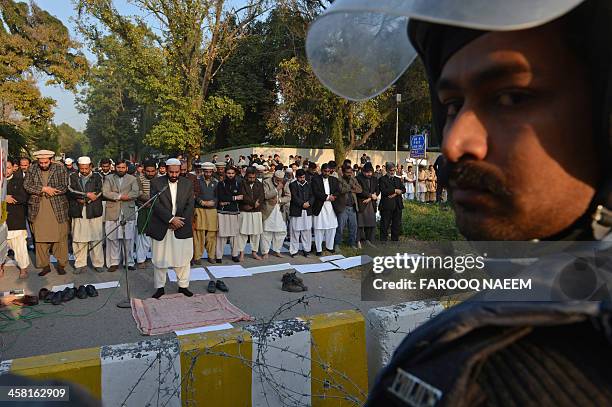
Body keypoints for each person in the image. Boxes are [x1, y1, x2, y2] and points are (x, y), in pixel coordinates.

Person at [148, 158, 195, 298]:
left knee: (183, 258)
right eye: (171, 172)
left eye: (177, 172)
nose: (174, 175)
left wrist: (179, 222)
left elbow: (190, 205)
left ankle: (183, 286)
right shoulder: (156, 183)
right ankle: (160, 288)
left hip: (181, 225)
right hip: (162, 225)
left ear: (180, 170)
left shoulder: (187, 183)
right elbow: (155, 204)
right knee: (160, 259)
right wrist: (170, 219)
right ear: (166, 170)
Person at [23, 150, 70, 276]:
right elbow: (27, 185)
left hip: (57, 208)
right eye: (41, 162)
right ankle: (45, 265)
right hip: (38, 209)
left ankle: (61, 264)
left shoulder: (60, 169)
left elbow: (64, 186)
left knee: (61, 238)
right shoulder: (32, 169)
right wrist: (43, 189)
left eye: (45, 162)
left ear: (51, 160)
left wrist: (52, 191)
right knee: (40, 239)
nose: (43, 165)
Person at [68, 156, 105, 274]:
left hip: (94, 210)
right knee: (79, 239)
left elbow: (100, 190)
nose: (84, 171)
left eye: (86, 168)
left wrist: (87, 200)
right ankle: (80, 264)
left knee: (96, 238)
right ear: (78, 167)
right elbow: (70, 190)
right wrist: (86, 194)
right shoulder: (72, 176)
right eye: (81, 168)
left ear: (91, 166)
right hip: (78, 210)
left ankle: (98, 263)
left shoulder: (98, 176)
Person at [102, 159, 140, 272]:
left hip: (128, 211)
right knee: (112, 238)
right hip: (112, 211)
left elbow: (136, 192)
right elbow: (105, 192)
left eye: (123, 168)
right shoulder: (109, 178)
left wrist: (126, 197)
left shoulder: (132, 179)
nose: (121, 170)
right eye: (119, 168)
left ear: (126, 168)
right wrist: (119, 196)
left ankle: (128, 262)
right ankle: (114, 262)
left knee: (128, 239)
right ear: (115, 168)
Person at [3, 157, 30, 278]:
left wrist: (10, 198)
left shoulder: (20, 181)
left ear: (13, 168)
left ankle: (23, 269)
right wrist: (3, 198)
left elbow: (24, 198)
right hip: (1, 221)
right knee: (1, 247)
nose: (6, 170)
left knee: (20, 247)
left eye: (8, 168)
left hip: (16, 219)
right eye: (3, 168)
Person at [261, 170, 291, 258]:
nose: (279, 182)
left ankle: (277, 250)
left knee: (281, 231)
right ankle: (265, 252)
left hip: (280, 210)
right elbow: (266, 195)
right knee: (266, 231)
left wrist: (279, 200)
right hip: (268, 209)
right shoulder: (266, 182)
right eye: (278, 180)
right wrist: (277, 189)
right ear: (274, 177)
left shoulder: (285, 183)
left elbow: (288, 196)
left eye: (281, 180)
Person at [193, 162, 219, 264]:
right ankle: (197, 257)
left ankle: (211, 256)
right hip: (199, 209)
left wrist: (213, 202)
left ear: (212, 172)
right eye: (206, 171)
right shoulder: (197, 181)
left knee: (211, 234)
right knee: (199, 234)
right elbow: (194, 194)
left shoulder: (216, 182)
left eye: (210, 172)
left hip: (212, 210)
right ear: (203, 171)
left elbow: (218, 195)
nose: (208, 173)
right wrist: (201, 202)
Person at [215, 166, 242, 262]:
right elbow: (221, 197)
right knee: (221, 234)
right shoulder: (221, 184)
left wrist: (228, 199)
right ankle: (218, 256)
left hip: (235, 211)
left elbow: (241, 196)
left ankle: (234, 255)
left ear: (235, 174)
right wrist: (234, 198)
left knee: (234, 235)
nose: (230, 175)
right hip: (222, 212)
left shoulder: (238, 184)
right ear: (225, 173)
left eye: (232, 173)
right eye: (229, 173)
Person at [311, 163, 339, 255]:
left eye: (328, 171)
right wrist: (327, 197)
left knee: (332, 227)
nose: (327, 173)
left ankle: (329, 247)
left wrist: (333, 197)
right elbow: (316, 192)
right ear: (321, 171)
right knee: (319, 228)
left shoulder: (334, 180)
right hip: (320, 206)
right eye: (325, 171)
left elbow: (337, 191)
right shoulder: (315, 179)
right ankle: (319, 249)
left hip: (331, 206)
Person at [237, 166, 265, 261]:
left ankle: (254, 252)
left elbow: (262, 196)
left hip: (256, 212)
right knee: (243, 233)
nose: (252, 179)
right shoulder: (241, 183)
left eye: (253, 177)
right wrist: (253, 204)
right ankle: (241, 253)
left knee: (256, 233)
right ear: (246, 176)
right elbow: (243, 196)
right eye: (250, 177)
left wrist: (254, 205)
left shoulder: (259, 184)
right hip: (245, 211)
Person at [333, 164, 363, 250]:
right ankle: (337, 244)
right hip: (343, 207)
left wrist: (351, 187)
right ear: (343, 172)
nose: (349, 174)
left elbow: (360, 190)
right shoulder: (339, 180)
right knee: (340, 227)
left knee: (353, 227)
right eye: (347, 172)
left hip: (353, 207)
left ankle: (352, 243)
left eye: (351, 172)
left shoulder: (354, 179)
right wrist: (351, 187)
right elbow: (341, 190)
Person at [135, 160, 157, 268]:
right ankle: (141, 260)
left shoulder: (160, 179)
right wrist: (148, 201)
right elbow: (138, 193)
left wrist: (153, 202)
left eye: (152, 171)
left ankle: (157, 259)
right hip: (143, 208)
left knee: (156, 235)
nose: (150, 173)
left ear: (155, 171)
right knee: (142, 235)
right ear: (144, 170)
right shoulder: (139, 179)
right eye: (148, 171)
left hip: (157, 209)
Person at [288, 169, 314, 257]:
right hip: (297, 210)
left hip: (307, 211)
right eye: (300, 177)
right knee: (295, 231)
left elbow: (312, 196)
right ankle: (293, 251)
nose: (302, 179)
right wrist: (302, 204)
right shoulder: (293, 185)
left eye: (303, 177)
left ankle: (306, 250)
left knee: (306, 231)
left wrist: (309, 203)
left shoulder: (309, 184)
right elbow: (294, 197)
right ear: (296, 177)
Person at [378, 162, 406, 242]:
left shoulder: (397, 179)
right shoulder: (382, 179)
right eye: (391, 170)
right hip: (387, 205)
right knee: (385, 223)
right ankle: (383, 239)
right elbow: (384, 191)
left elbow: (403, 189)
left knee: (396, 223)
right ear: (387, 170)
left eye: (394, 170)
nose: (392, 172)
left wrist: (396, 193)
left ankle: (395, 239)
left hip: (398, 204)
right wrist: (395, 190)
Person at [356, 162, 379, 247]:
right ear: (363, 171)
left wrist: (371, 197)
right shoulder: (358, 178)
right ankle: (358, 240)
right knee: (360, 224)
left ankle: (368, 240)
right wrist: (369, 195)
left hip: (371, 203)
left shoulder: (374, 179)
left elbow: (377, 190)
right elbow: (359, 191)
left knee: (371, 223)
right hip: (362, 203)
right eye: (367, 172)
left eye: (370, 172)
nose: (369, 174)